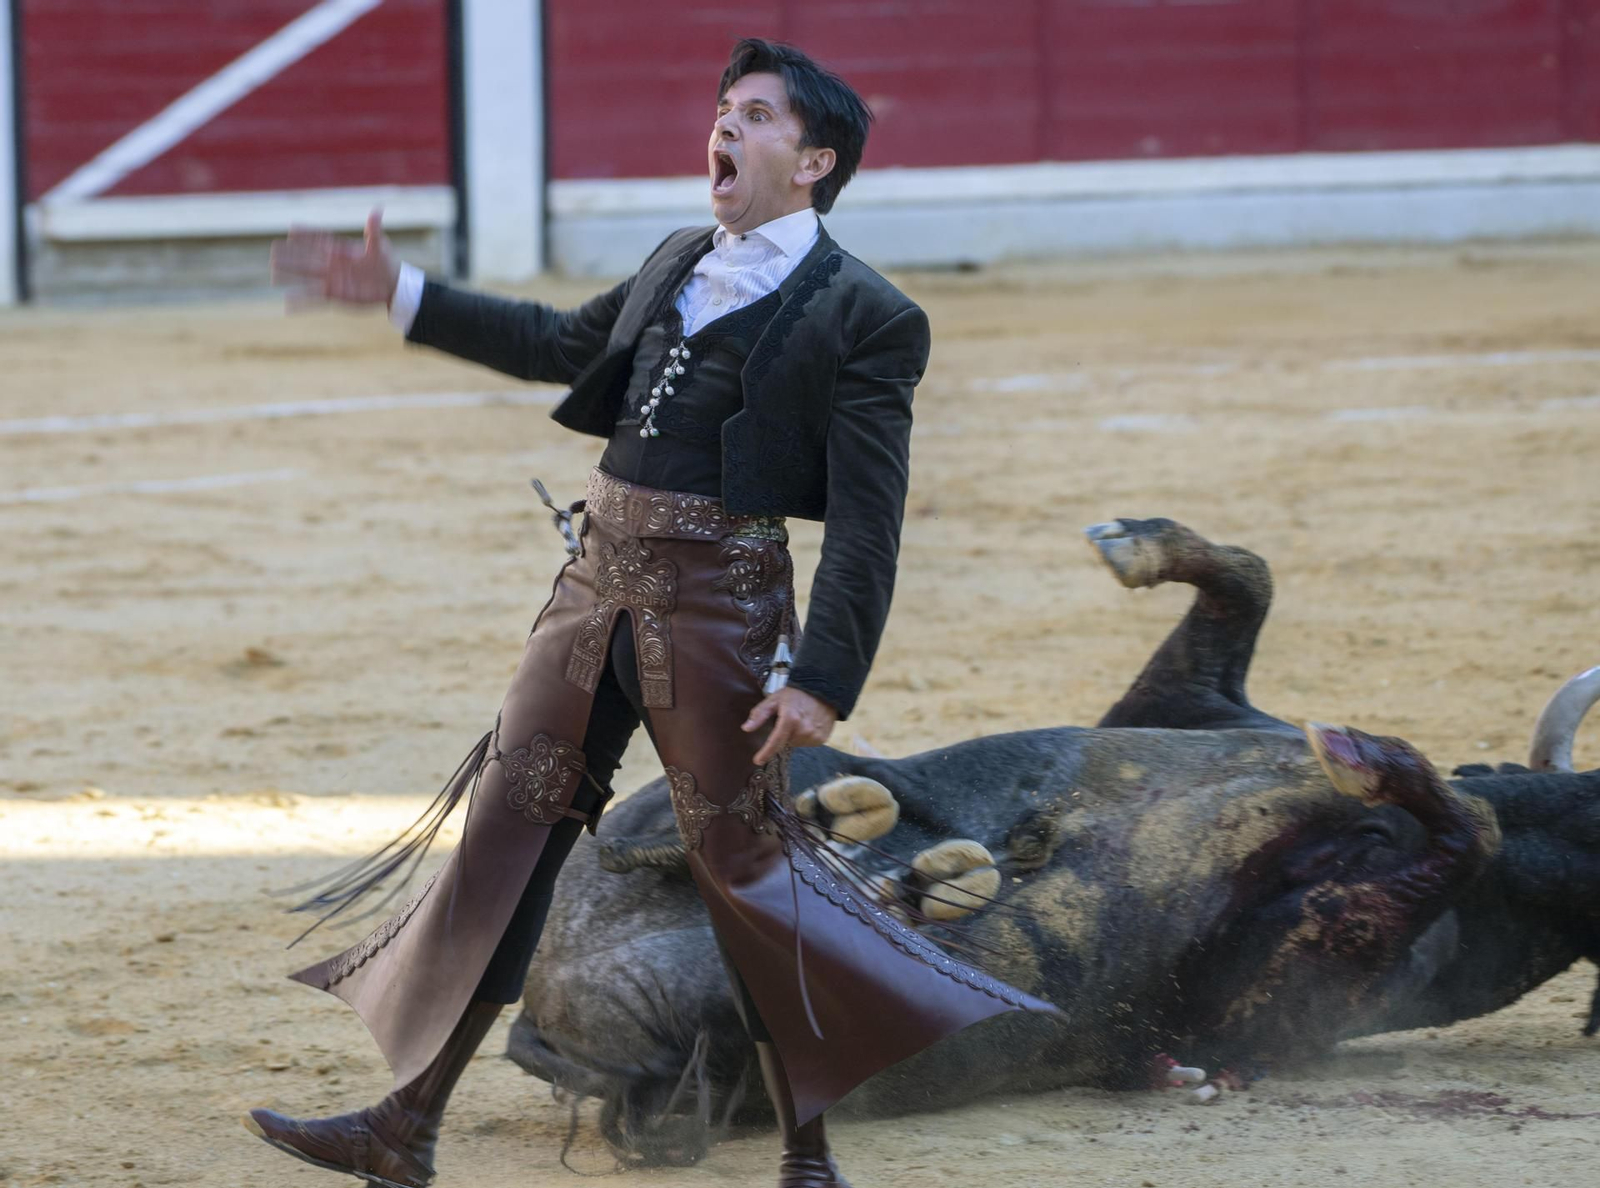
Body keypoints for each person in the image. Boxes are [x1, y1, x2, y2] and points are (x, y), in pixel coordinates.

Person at [246, 37, 1056, 1188]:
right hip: (591, 595)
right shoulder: (680, 256)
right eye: (724, 108)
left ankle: (807, 1158)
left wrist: (824, 674)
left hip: (722, 616)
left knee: (743, 870)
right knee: (507, 843)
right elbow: (557, 346)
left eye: (758, 114)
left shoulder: (869, 314)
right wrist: (404, 294)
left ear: (814, 159)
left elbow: (870, 516)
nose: (725, 126)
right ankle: (405, 1127)